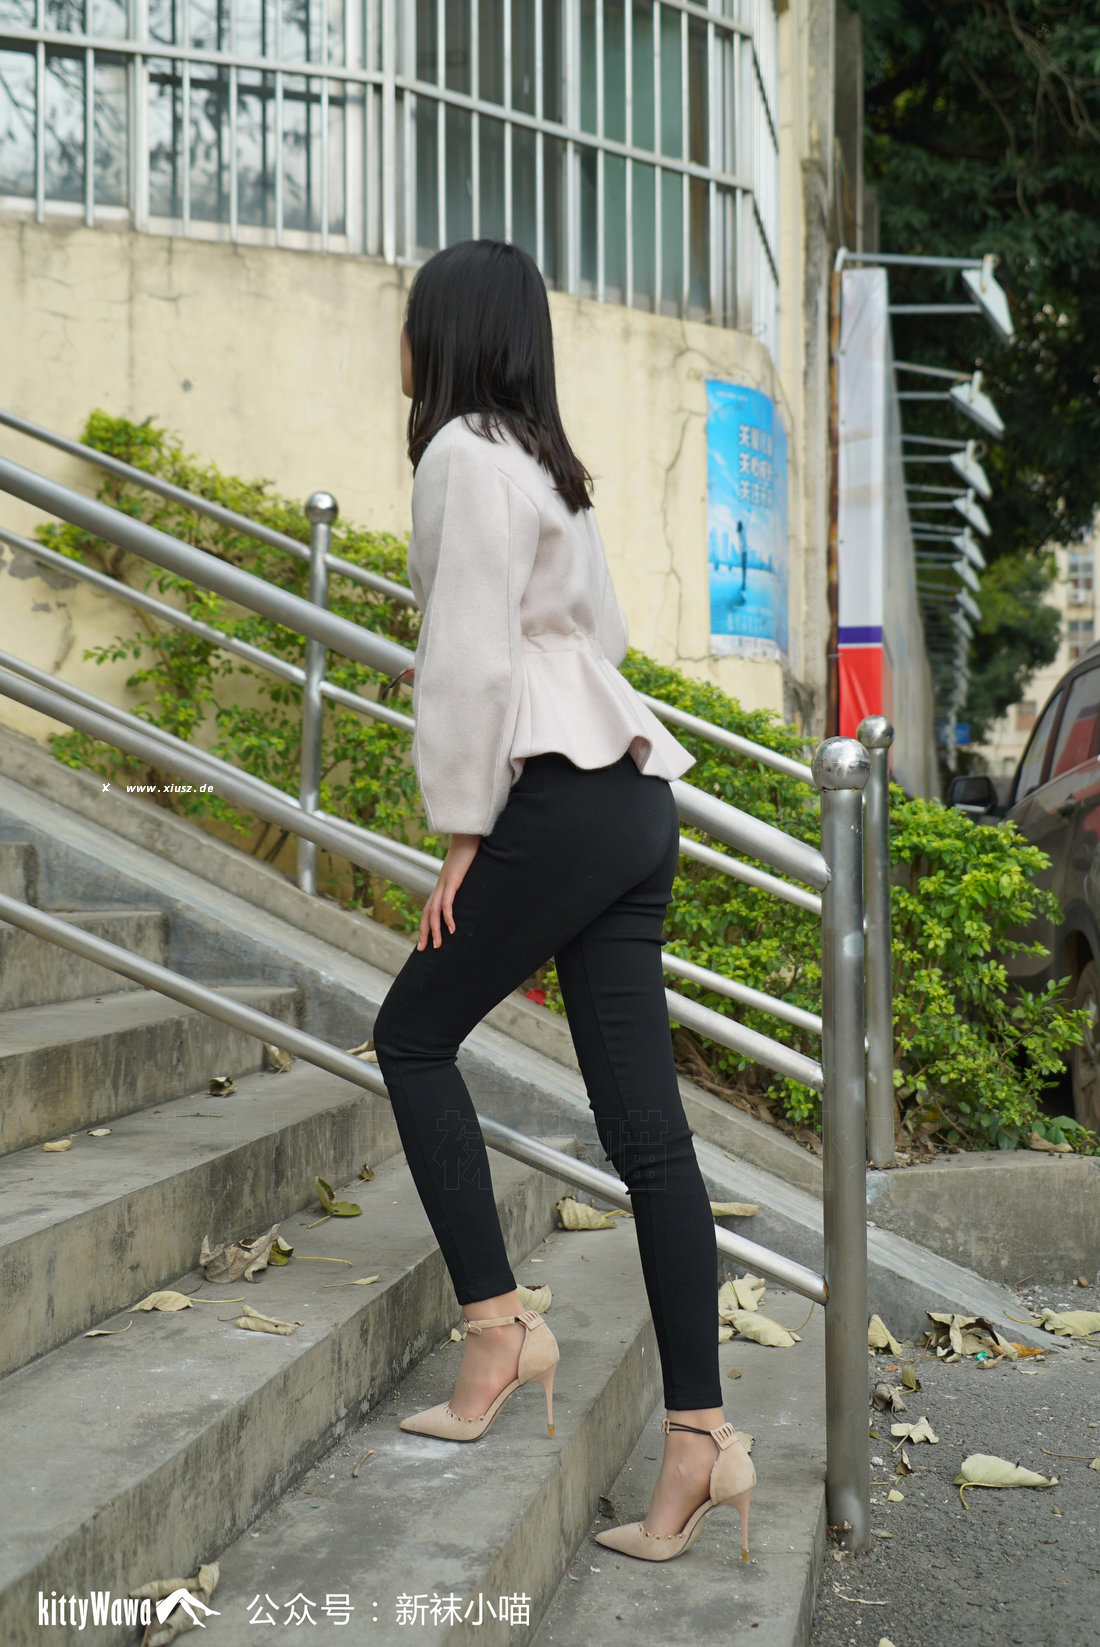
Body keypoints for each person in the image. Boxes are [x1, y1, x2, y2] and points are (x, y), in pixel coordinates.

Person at [370, 239, 755, 1564]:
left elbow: (472, 663)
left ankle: (497, 1328)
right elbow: (605, 641)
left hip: (557, 798)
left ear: (448, 334)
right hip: (631, 800)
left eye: (409, 319)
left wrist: (461, 833)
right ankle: (700, 1442)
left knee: (412, 1037)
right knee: (649, 1140)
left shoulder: (460, 453)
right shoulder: (546, 459)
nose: (397, 342)